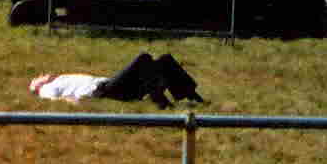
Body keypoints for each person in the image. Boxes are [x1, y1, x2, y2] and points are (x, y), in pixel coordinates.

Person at [28, 52, 204, 108]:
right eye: (36, 78)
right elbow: (55, 100)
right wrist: (76, 101)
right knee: (143, 58)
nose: (41, 75)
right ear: (37, 87)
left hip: (114, 86)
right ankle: (162, 103)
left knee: (164, 60)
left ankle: (193, 97)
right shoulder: (46, 89)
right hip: (104, 91)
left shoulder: (60, 77)